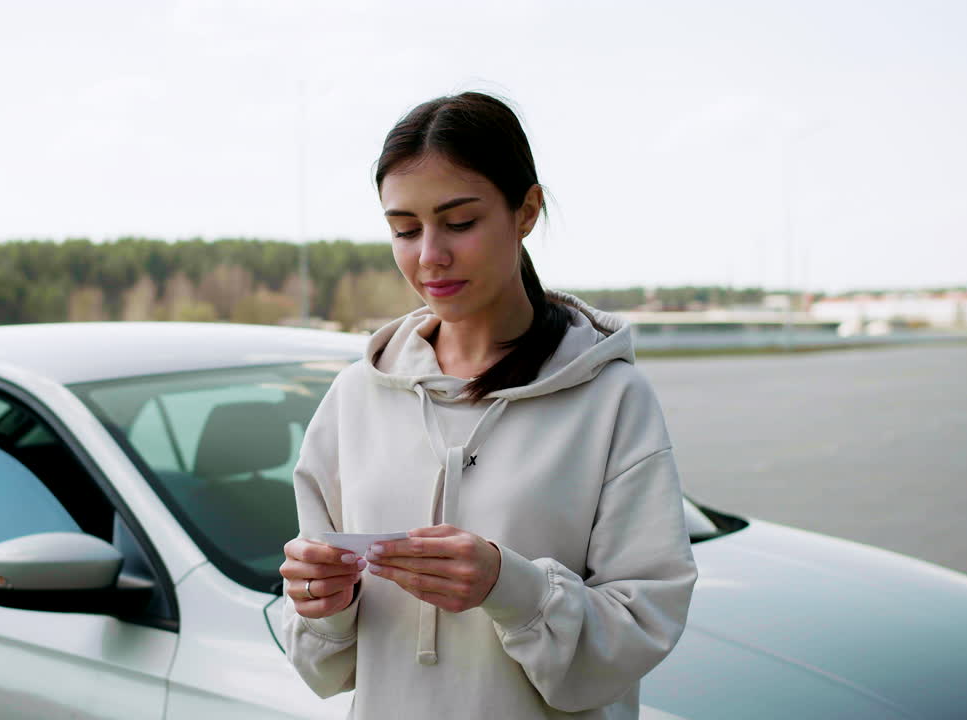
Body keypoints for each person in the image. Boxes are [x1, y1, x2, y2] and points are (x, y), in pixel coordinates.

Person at [278, 91, 697, 720]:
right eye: (404, 229)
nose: (429, 256)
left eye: (460, 222)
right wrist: (320, 602)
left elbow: (646, 620)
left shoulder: (611, 399)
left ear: (526, 211)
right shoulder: (355, 398)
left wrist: (512, 587)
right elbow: (322, 664)